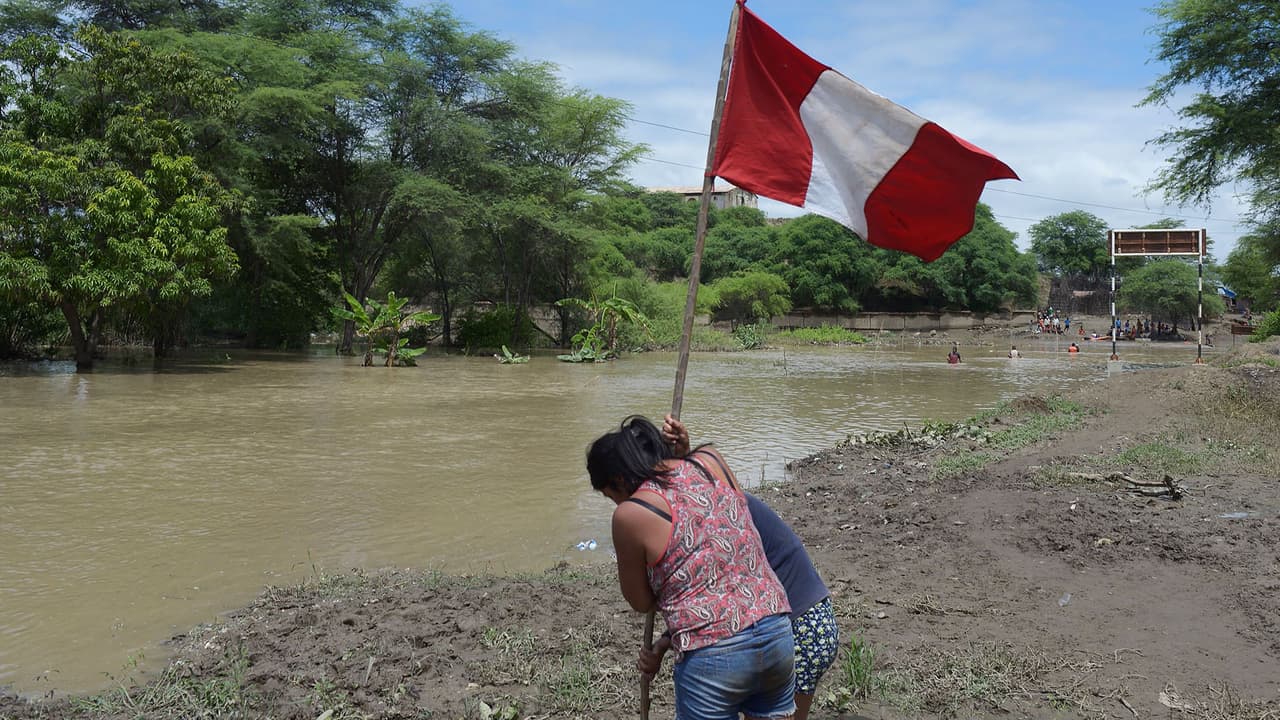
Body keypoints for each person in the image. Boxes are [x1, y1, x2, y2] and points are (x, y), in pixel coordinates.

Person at [587, 415, 795, 720]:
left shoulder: (631, 513)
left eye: (611, 496)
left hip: (712, 653)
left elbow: (641, 601)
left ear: (619, 480)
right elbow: (718, 526)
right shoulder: (710, 460)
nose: (617, 504)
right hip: (775, 630)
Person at [654, 417, 838, 720]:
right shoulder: (719, 503)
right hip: (805, 622)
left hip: (800, 627)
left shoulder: (713, 515)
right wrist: (663, 643)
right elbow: (711, 593)